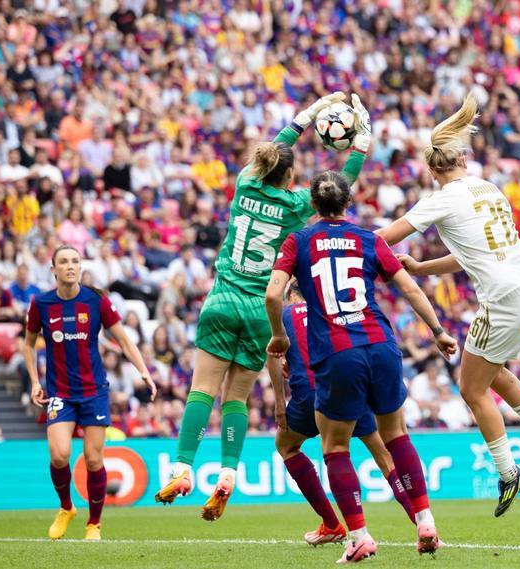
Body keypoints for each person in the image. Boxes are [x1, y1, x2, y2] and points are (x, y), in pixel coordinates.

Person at [154, 92, 372, 523]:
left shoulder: (245, 185)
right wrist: (360, 144)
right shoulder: (294, 207)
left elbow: (274, 151)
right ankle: (228, 475)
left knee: (203, 390)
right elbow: (338, 189)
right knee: (236, 397)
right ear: (291, 178)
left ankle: (182, 469)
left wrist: (308, 114)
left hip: (221, 299)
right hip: (259, 308)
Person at [376, 93, 520, 517]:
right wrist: (421, 268)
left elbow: (387, 235)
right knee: (491, 370)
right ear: (461, 160)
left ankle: (507, 470)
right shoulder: (490, 189)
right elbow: (470, 252)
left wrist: (343, 243)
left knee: (471, 387)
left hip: (502, 297)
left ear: (432, 170)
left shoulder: (441, 198)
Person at [266, 170, 458, 562]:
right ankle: (425, 520)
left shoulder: (298, 241)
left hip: (339, 353)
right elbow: (408, 287)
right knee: (396, 435)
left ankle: (359, 536)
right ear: (348, 202)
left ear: (314, 205)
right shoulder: (369, 239)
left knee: (335, 446)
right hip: (381, 344)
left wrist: (279, 336)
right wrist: (437, 330)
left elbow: (273, 293)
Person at [22, 245, 156, 541]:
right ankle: (66, 507)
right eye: (64, 262)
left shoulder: (96, 301)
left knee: (94, 460)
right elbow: (28, 343)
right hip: (59, 393)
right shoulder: (41, 304)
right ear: (53, 269)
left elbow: (123, 339)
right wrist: (34, 380)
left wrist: (143, 370)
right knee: (59, 456)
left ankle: (93, 524)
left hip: (94, 391)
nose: (70, 266)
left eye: (75, 261)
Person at [269, 284, 415, 546]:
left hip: (310, 392)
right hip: (350, 383)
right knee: (384, 457)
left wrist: (280, 402)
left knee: (288, 446)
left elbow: (273, 355)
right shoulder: (331, 310)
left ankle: (333, 524)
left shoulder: (284, 315)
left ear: (291, 294)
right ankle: (422, 522)